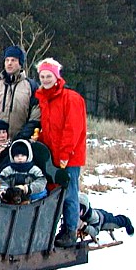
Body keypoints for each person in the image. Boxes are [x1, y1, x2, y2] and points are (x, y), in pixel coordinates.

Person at [35, 58, 87, 248]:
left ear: (57, 77)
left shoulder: (70, 98)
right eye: (43, 76)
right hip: (50, 156)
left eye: (49, 76)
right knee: (51, 192)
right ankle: (49, 229)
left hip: (69, 157)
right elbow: (47, 129)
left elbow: (72, 129)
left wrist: (65, 155)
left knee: (69, 193)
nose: (46, 79)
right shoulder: (43, 99)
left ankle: (70, 230)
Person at [0, 46, 41, 141]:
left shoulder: (32, 87)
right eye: (7, 60)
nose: (9, 63)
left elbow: (35, 118)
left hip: (20, 146)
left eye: (13, 60)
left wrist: (21, 138)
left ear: (20, 63)